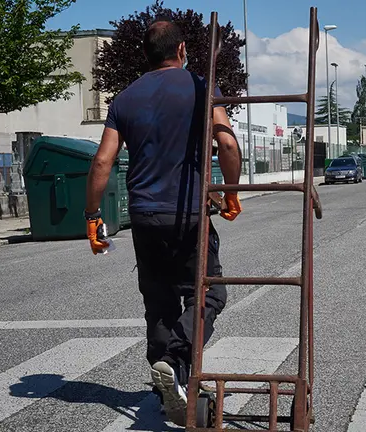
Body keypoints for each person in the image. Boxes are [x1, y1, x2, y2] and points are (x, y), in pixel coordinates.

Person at [84, 21, 243, 426]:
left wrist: (92, 215)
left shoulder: (124, 98)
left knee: (158, 300)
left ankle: (167, 379)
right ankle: (175, 360)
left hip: (143, 214)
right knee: (209, 294)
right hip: (189, 212)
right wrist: (230, 191)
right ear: (183, 49)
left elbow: (103, 160)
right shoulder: (200, 87)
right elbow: (226, 142)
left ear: (146, 54)